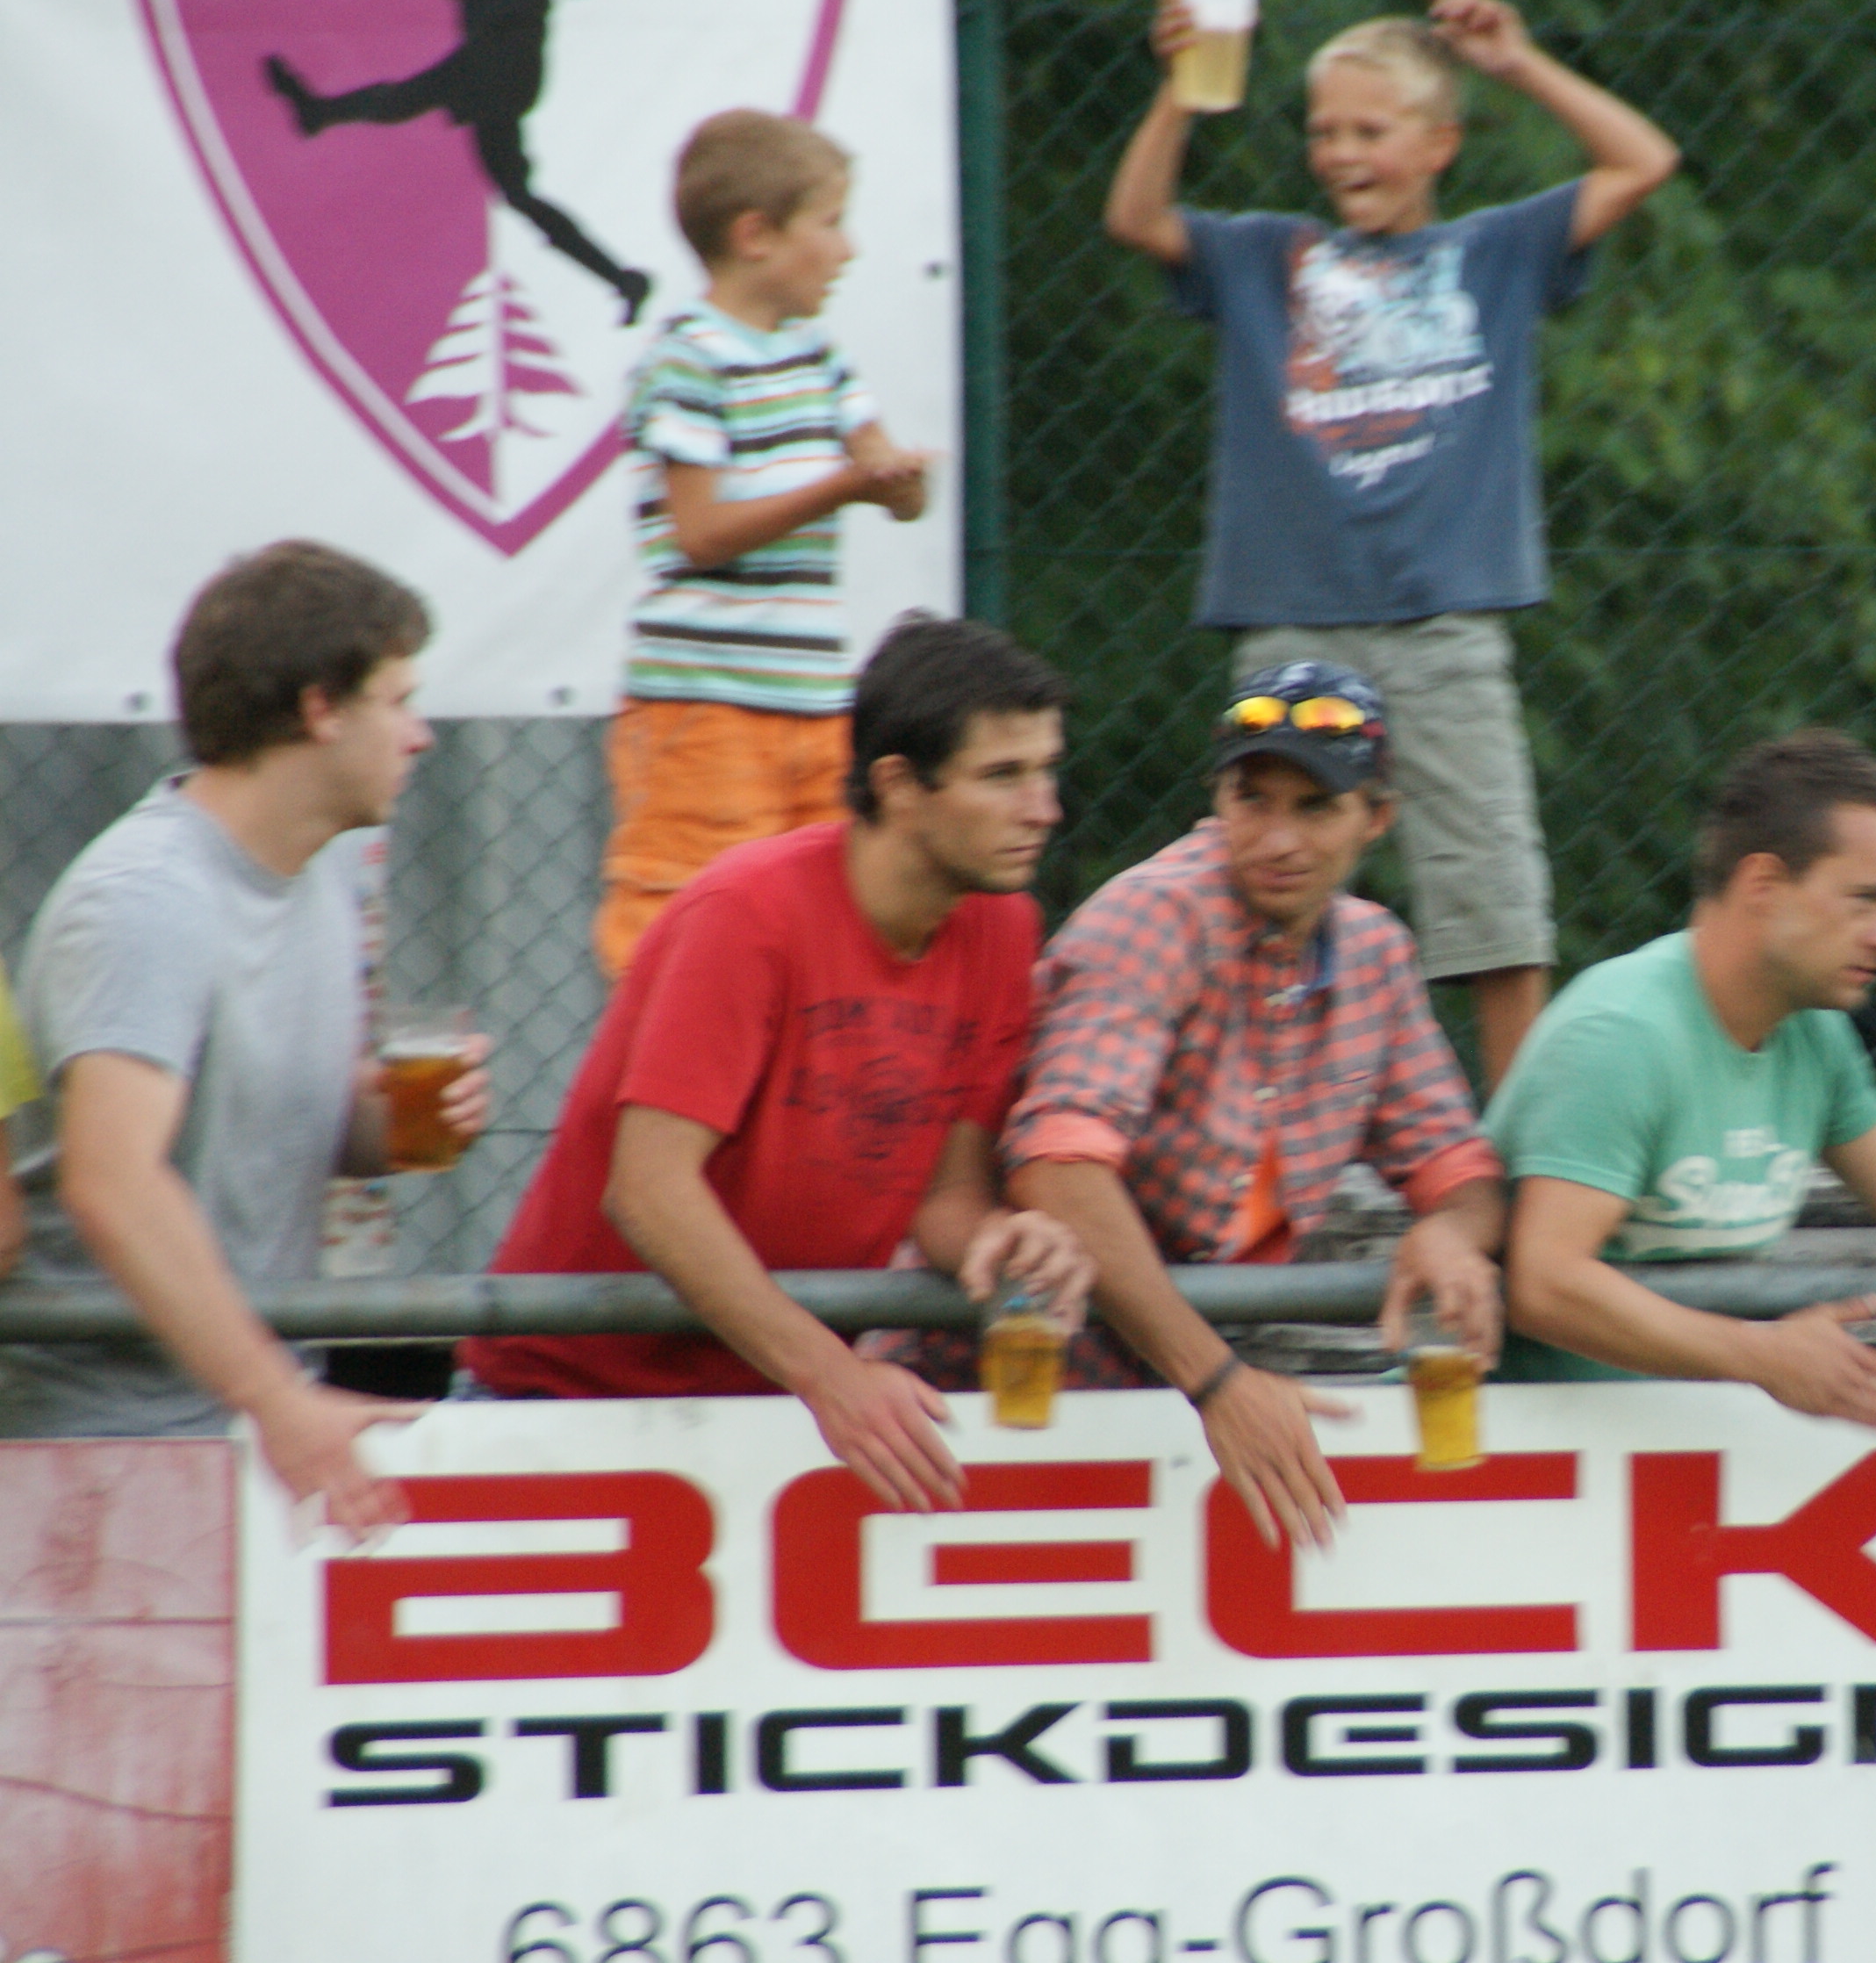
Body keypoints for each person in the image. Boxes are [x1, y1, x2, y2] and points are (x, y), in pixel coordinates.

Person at [1103, 0, 1679, 1088]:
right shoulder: (1266, 256)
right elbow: (1136, 217)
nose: (1340, 153)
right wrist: (1179, 91)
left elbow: (1641, 160)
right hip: (1291, 629)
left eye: (1369, 131)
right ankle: (1268, 1123)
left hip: (1446, 627)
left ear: (1438, 144)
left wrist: (1515, 63)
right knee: (1269, 888)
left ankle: (1520, 1144)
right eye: (1324, 131)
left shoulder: (1496, 251)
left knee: (1493, 900)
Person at [460, 618, 1087, 1514]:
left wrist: (998, 1240)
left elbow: (945, 1198)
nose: (1044, 808)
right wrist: (833, 1377)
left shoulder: (1003, 927)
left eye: (1046, 770)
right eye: (1003, 776)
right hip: (566, 1399)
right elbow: (649, 1191)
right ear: (897, 787)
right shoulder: (748, 913)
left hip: (775, 1406)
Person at [0, 542, 488, 1539]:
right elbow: (111, 1182)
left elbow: (298, 1129)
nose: (421, 735)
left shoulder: (324, 872)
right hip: (112, 1448)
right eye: (399, 701)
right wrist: (276, 1398)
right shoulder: (146, 900)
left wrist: (399, 1120)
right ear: (320, 709)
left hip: (256, 1427)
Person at [963, 661, 1506, 1550]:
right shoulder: (1156, 918)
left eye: (1315, 808)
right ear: (1217, 798)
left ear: (1376, 819)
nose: (1277, 839)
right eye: (1251, 800)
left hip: (1192, 1392)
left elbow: (1462, 1170)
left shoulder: (1375, 951)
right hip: (1013, 1380)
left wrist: (1452, 1231)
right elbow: (1056, 1171)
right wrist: (1216, 1382)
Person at [1486, 730, 1876, 1419]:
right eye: (1864, 899)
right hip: (1541, 1457)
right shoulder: (1621, 1035)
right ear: (1762, 884)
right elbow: (1546, 1284)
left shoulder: (1813, 1030)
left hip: (1689, 1446)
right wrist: (1762, 1356)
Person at [593, 109, 935, 976]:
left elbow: (894, 486)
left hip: (814, 706)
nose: (848, 249)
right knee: (686, 918)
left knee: (814, 921)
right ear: (756, 237)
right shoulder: (688, 360)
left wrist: (900, 481)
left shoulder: (820, 357)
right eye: (830, 223)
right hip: (703, 707)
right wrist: (845, 486)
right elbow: (700, 532)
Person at [263, 0, 700, 321]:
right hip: (501, 65)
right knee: (513, 189)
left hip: (503, 61)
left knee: (406, 100)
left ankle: (320, 112)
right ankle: (622, 279)